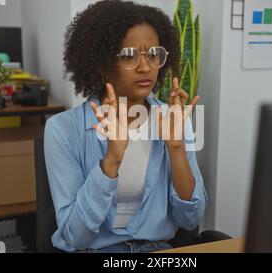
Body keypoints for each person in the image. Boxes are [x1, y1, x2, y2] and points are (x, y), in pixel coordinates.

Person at [44, 0, 206, 253]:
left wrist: (176, 149)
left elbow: (190, 219)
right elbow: (74, 237)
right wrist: (111, 162)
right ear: (101, 63)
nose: (146, 67)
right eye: (129, 56)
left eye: (154, 54)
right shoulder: (62, 129)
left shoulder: (173, 118)